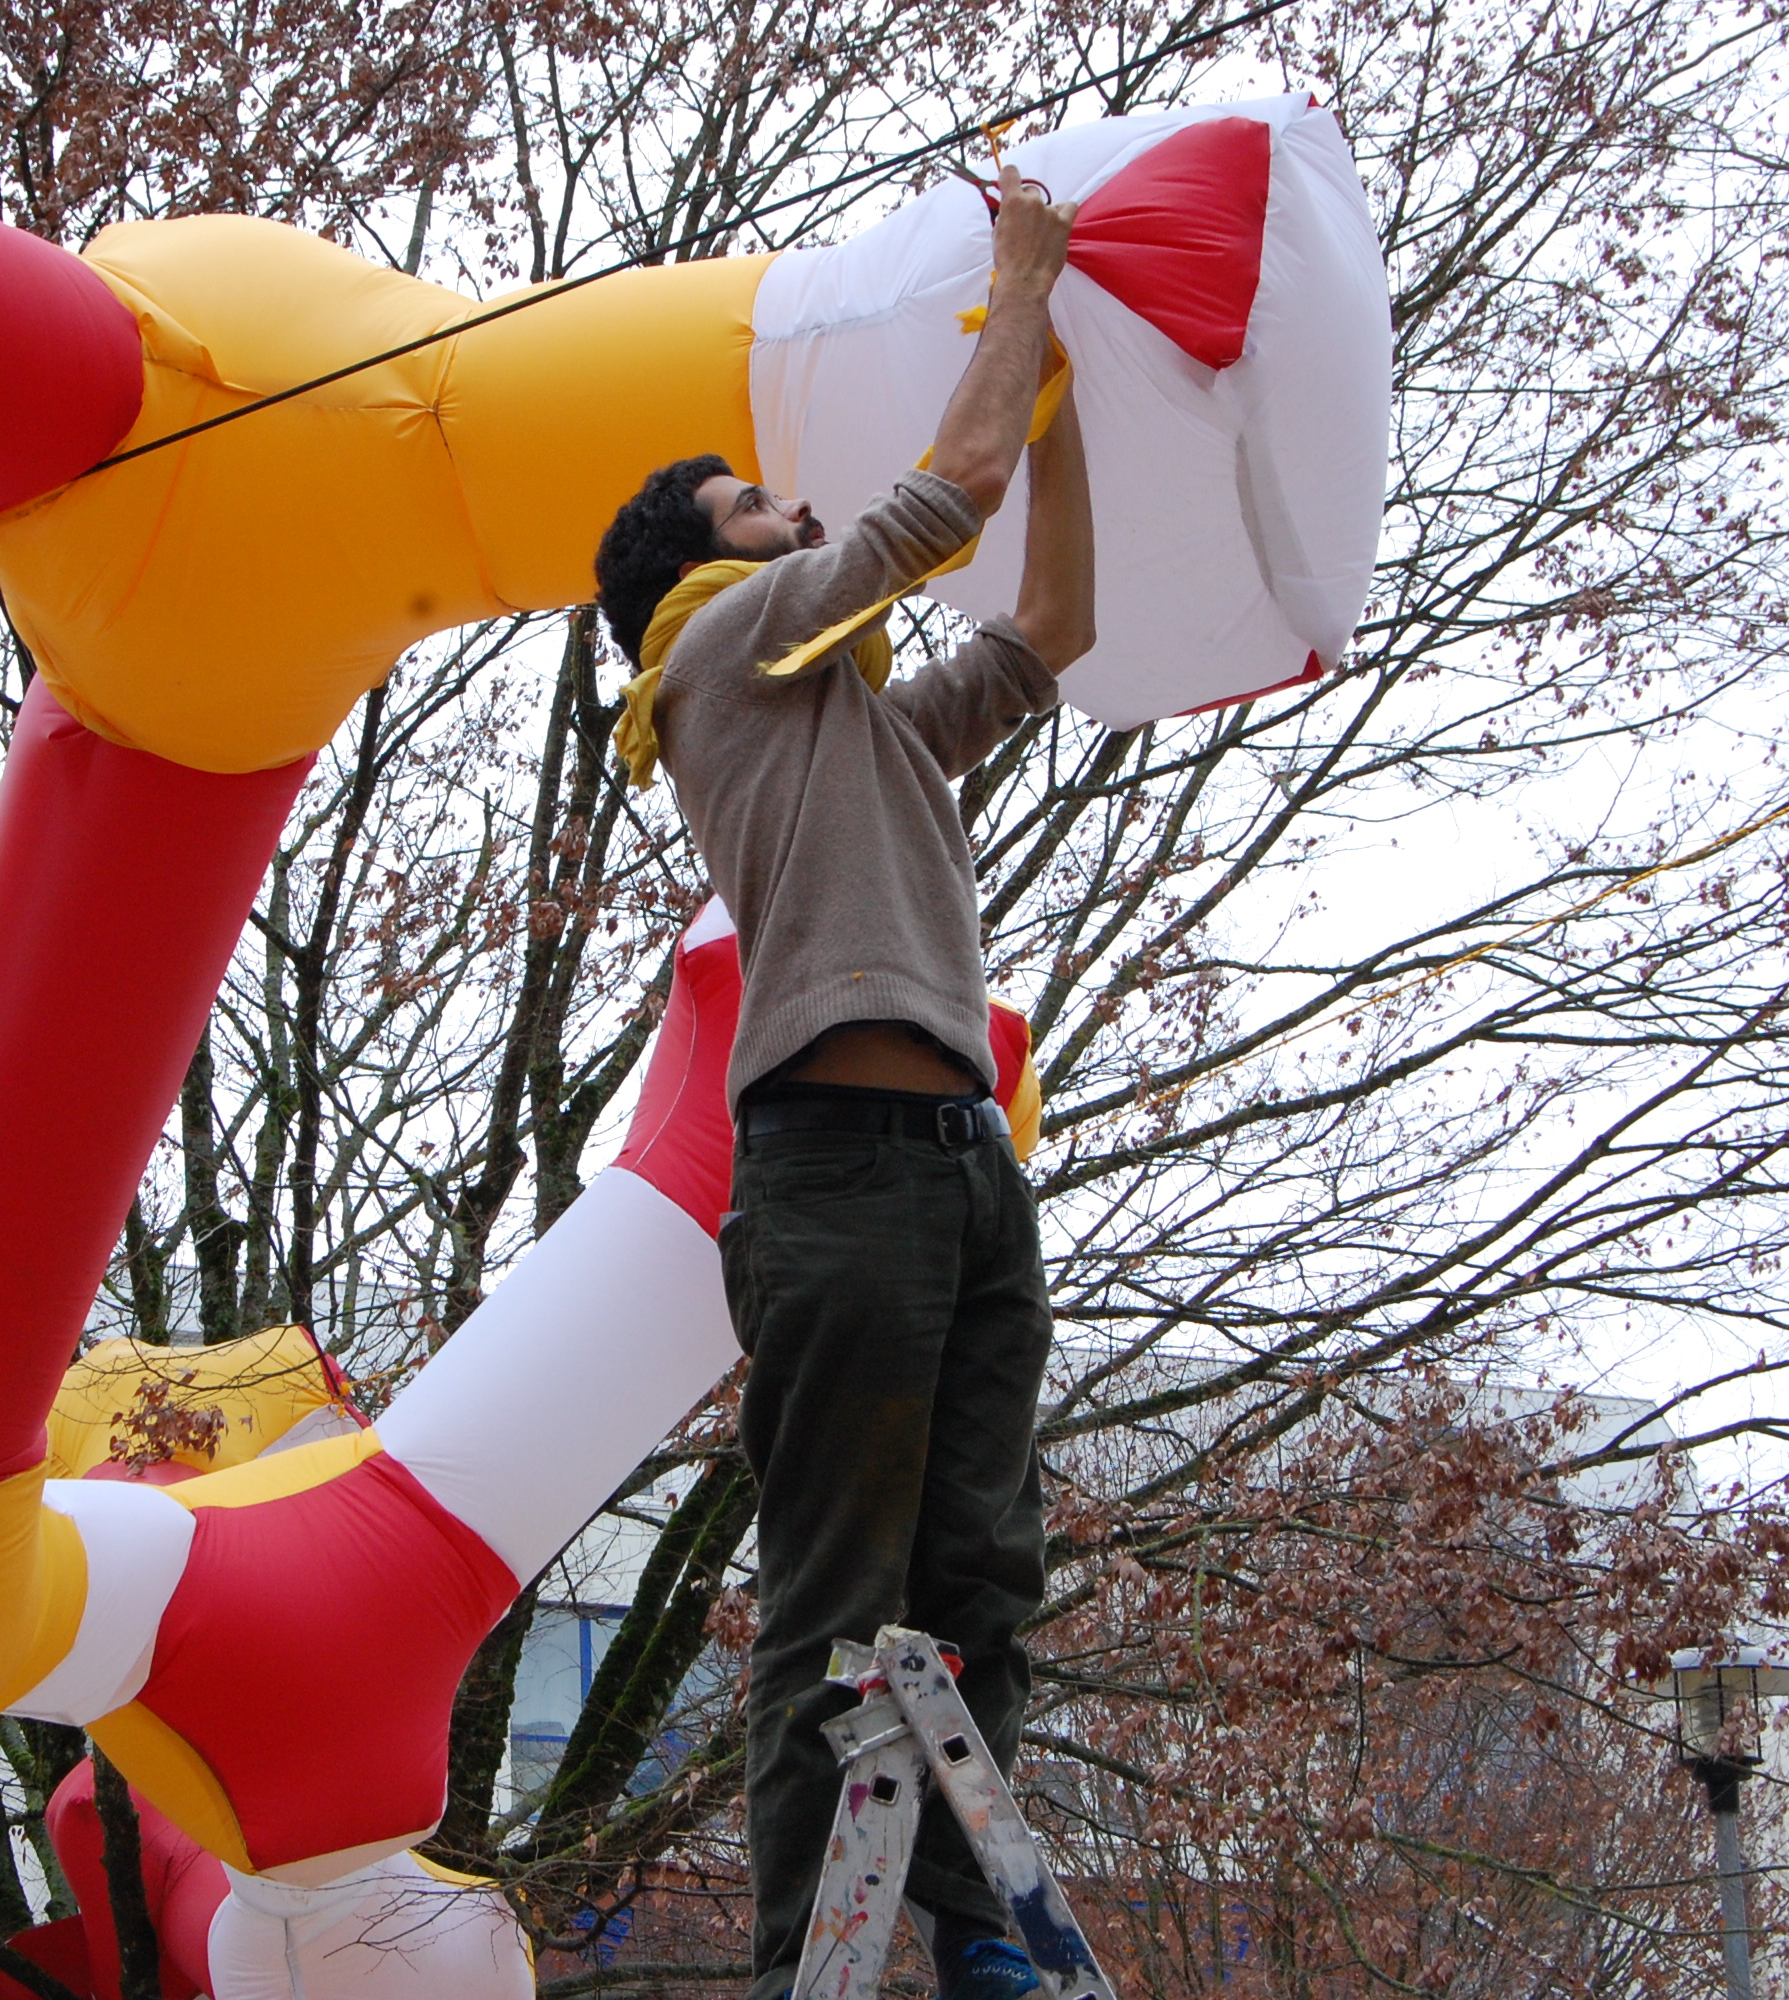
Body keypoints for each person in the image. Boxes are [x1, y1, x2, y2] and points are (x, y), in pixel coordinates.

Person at [591, 166, 1097, 2000]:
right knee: (839, 1593)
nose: (791, 509)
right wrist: (1025, 284)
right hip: (833, 1169)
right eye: (755, 505)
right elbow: (943, 507)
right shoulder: (723, 654)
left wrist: (1073, 406)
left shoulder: (863, 726)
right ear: (703, 568)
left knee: (983, 1566)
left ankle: (974, 1938)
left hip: (964, 1163)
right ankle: (821, 1957)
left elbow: (1053, 627)